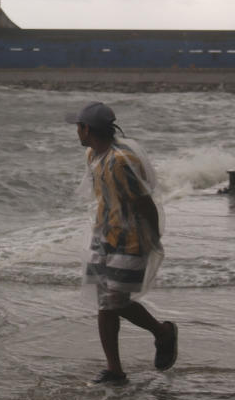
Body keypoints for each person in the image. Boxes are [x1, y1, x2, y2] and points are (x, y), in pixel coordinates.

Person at [66, 101, 178, 384]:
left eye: (78, 126)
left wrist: (153, 238)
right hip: (103, 236)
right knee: (104, 303)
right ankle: (114, 370)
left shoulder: (121, 161)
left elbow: (145, 203)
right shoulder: (94, 154)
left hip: (130, 239)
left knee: (116, 301)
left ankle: (163, 332)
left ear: (87, 128)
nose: (76, 132)